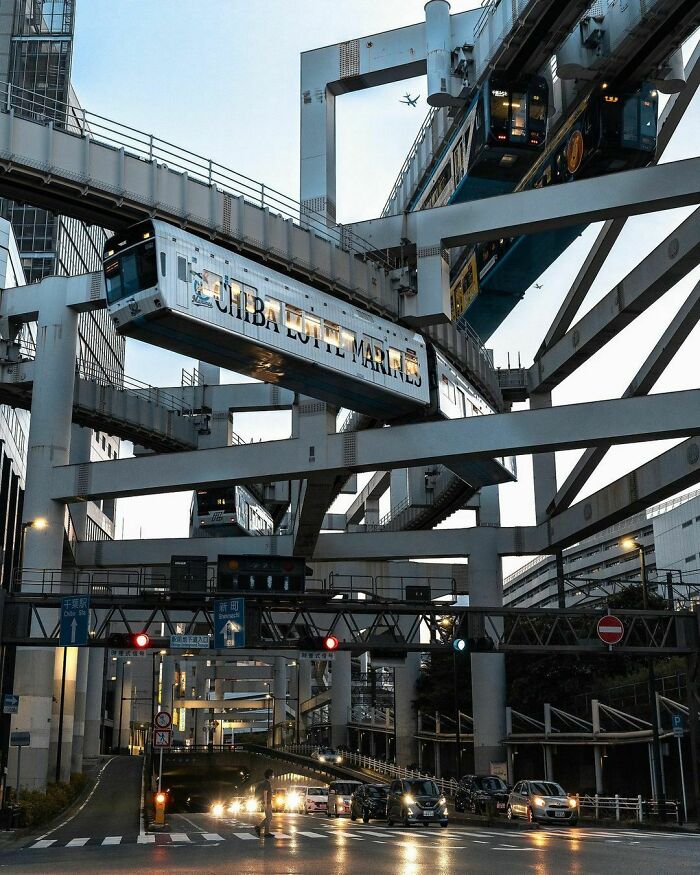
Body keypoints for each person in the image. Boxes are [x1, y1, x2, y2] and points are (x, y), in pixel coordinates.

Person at [254, 769, 275, 837]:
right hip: (266, 803)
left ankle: (259, 827)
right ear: (269, 776)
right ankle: (266, 833)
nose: (273, 776)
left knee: (269, 817)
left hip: (267, 802)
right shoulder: (266, 783)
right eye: (272, 775)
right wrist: (265, 804)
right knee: (269, 817)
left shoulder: (266, 782)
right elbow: (265, 793)